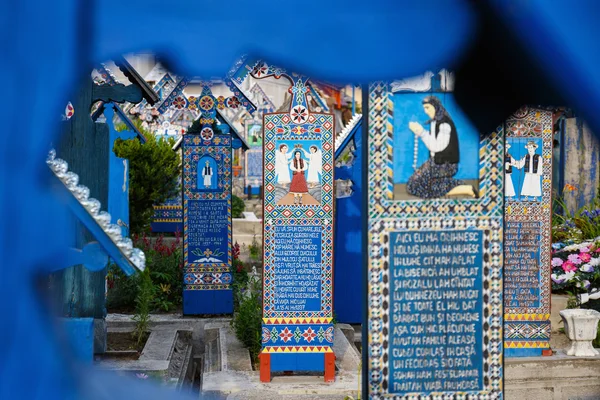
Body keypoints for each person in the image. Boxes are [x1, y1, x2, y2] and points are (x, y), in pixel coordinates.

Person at [406, 96, 462, 198]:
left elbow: (437, 146)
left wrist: (421, 132)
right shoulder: (434, 122)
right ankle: (450, 186)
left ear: (436, 107)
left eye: (428, 107)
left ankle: (461, 187)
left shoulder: (445, 125)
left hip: (446, 164)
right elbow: (433, 140)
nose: (426, 111)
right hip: (435, 162)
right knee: (412, 184)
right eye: (424, 108)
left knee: (415, 186)